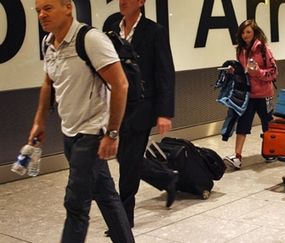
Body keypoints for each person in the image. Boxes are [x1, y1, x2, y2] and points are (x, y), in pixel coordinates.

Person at [31, 0, 135, 242]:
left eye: (48, 8)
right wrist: (40, 121)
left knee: (76, 205)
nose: (42, 15)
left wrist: (111, 133)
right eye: (38, 11)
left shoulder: (90, 39)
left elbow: (121, 84)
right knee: (107, 196)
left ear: (67, 7)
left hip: (92, 133)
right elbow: (48, 84)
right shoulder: (49, 43)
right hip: (69, 133)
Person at [103, 0, 176, 235]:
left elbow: (165, 72)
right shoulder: (113, 29)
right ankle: (166, 178)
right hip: (118, 105)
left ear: (141, 1)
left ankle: (124, 219)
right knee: (125, 159)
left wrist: (164, 112)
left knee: (129, 161)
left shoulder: (155, 31)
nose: (122, 1)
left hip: (143, 106)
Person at [224, 20, 278, 169]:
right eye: (243, 32)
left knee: (268, 124)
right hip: (247, 94)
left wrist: (258, 73)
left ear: (254, 33)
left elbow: (274, 72)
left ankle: (271, 150)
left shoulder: (263, 49)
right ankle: (237, 156)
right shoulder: (240, 50)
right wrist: (234, 71)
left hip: (264, 94)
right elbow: (242, 71)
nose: (245, 35)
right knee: (243, 124)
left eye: (248, 32)